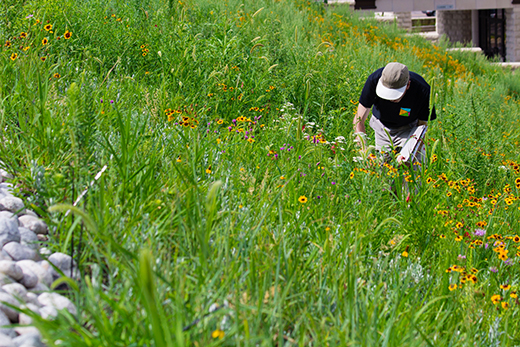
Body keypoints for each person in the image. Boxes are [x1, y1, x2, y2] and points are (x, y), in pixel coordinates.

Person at [352, 62, 435, 162]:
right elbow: (359, 120)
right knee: (383, 168)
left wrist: (411, 153)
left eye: (395, 95)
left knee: (413, 166)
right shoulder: (373, 80)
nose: (390, 99)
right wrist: (364, 151)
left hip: (409, 128)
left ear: (408, 85)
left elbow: (421, 128)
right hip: (382, 127)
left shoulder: (422, 90)